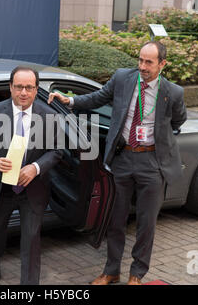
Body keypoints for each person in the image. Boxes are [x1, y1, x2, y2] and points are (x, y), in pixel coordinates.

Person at [48, 41, 187, 285]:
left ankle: (137, 274)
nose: (142, 66)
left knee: (146, 224)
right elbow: (97, 98)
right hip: (122, 159)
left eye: (149, 62)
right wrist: (69, 101)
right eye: (140, 60)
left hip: (152, 163)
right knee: (115, 219)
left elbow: (178, 121)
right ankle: (112, 270)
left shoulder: (173, 92)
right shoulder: (123, 78)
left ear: (162, 64)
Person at [0, 66, 63, 285]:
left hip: (33, 188)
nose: (24, 92)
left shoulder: (49, 115)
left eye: (29, 87)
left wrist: (36, 167)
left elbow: (57, 151)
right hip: (1, 187)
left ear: (36, 89)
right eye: (19, 87)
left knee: (32, 239)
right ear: (11, 87)